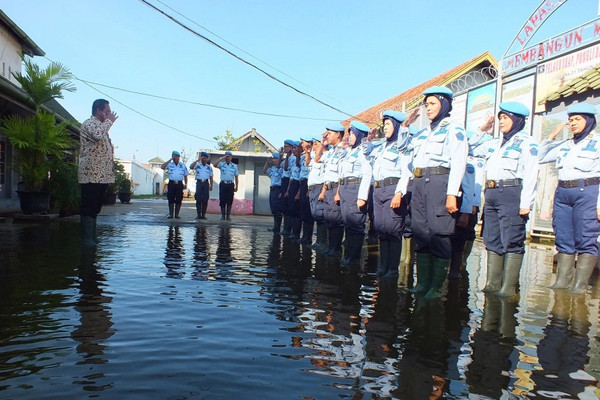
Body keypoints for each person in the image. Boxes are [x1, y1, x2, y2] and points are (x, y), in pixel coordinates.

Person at [471, 102, 539, 297]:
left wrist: (526, 203)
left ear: (517, 120)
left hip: (512, 193)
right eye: (500, 118)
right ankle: (493, 283)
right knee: (492, 238)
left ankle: (508, 288)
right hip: (491, 194)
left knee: (512, 239)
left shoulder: (527, 142)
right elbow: (471, 148)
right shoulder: (494, 143)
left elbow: (532, 173)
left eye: (505, 118)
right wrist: (482, 130)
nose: (501, 122)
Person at [409, 86, 468, 300]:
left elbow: (459, 161)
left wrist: (452, 193)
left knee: (439, 233)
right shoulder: (423, 133)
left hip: (440, 182)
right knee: (421, 233)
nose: (428, 108)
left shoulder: (454, 129)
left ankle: (436, 287)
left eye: (432, 103)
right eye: (426, 104)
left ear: (444, 104)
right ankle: (422, 283)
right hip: (419, 184)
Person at [538, 103, 600, 294]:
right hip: (563, 194)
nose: (572, 123)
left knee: (586, 238)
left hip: (587, 192)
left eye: (577, 119)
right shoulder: (565, 145)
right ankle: (562, 282)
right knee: (563, 237)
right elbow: (541, 156)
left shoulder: (597, 143)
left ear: (589, 120)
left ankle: (580, 285)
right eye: (570, 120)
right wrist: (552, 135)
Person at [366, 111, 411, 277]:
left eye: (388, 124)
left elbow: (407, 171)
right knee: (381, 230)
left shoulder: (402, 146)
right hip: (378, 190)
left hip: (393, 188)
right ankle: (383, 266)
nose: (385, 128)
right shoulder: (381, 146)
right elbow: (366, 154)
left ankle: (392, 269)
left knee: (393, 230)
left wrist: (399, 193)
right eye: (383, 124)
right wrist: (368, 140)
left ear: (397, 125)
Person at [78, 99, 118, 246]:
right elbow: (97, 135)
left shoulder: (102, 126)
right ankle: (86, 238)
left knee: (95, 206)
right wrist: (109, 122)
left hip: (101, 176)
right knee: (88, 206)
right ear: (99, 111)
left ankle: (92, 236)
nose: (109, 115)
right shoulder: (90, 123)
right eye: (107, 111)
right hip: (91, 175)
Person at [337, 121, 372, 265]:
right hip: (346, 188)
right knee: (348, 225)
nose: (350, 136)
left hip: (355, 189)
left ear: (359, 135)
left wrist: (362, 196)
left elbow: (367, 173)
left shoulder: (363, 152)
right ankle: (348, 256)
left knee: (356, 226)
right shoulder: (349, 152)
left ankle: (353, 258)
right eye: (349, 133)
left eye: (352, 134)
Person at [319, 123, 346, 257]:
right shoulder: (331, 152)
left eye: (329, 133)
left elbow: (342, 174)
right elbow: (318, 159)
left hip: (336, 188)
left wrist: (338, 193)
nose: (327, 136)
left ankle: (335, 249)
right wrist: (322, 144)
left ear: (338, 134)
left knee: (336, 220)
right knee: (329, 219)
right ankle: (331, 247)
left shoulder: (342, 150)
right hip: (328, 188)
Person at [308, 137, 328, 251]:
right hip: (313, 188)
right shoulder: (316, 158)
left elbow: (326, 176)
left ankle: (322, 242)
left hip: (320, 187)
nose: (313, 147)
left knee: (320, 216)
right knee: (315, 215)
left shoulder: (326, 156)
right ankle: (319, 241)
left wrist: (323, 191)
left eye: (316, 144)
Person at [161, 151, 188, 219]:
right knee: (171, 198)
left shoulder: (183, 165)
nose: (174, 157)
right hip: (171, 183)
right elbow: (162, 167)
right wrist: (170, 160)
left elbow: (185, 176)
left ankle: (177, 214)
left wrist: (186, 184)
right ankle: (171, 214)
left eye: (176, 156)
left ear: (179, 157)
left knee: (179, 199)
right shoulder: (170, 164)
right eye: (173, 156)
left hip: (179, 184)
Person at [298, 137, 315, 245]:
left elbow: (311, 171)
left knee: (308, 212)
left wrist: (309, 189)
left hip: (310, 184)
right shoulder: (306, 155)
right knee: (303, 211)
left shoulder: (315, 154)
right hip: (303, 184)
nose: (301, 144)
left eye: (303, 142)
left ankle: (308, 237)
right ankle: (305, 236)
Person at [213, 151, 239, 221]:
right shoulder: (222, 164)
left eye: (229, 156)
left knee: (229, 200)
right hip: (223, 184)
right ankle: (222, 216)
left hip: (230, 184)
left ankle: (228, 216)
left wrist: (236, 186)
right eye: (226, 156)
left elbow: (236, 177)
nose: (227, 158)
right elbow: (214, 165)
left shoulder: (234, 166)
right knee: (222, 200)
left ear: (231, 157)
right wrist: (221, 158)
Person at [263, 152, 283, 233]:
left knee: (278, 209)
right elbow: (264, 171)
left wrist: (281, 192)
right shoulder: (273, 168)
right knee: (273, 209)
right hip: (272, 189)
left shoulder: (282, 168)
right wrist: (267, 163)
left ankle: (277, 227)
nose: (273, 160)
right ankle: (275, 226)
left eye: (275, 158)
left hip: (278, 189)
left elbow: (284, 181)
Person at [190, 151, 213, 220]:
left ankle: (203, 215)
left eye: (206, 158)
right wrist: (197, 160)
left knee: (205, 200)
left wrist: (211, 185)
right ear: (201, 158)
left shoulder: (209, 167)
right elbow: (191, 167)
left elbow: (211, 177)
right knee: (198, 199)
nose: (204, 159)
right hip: (199, 183)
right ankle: (198, 215)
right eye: (203, 158)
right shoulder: (198, 165)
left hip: (206, 183)